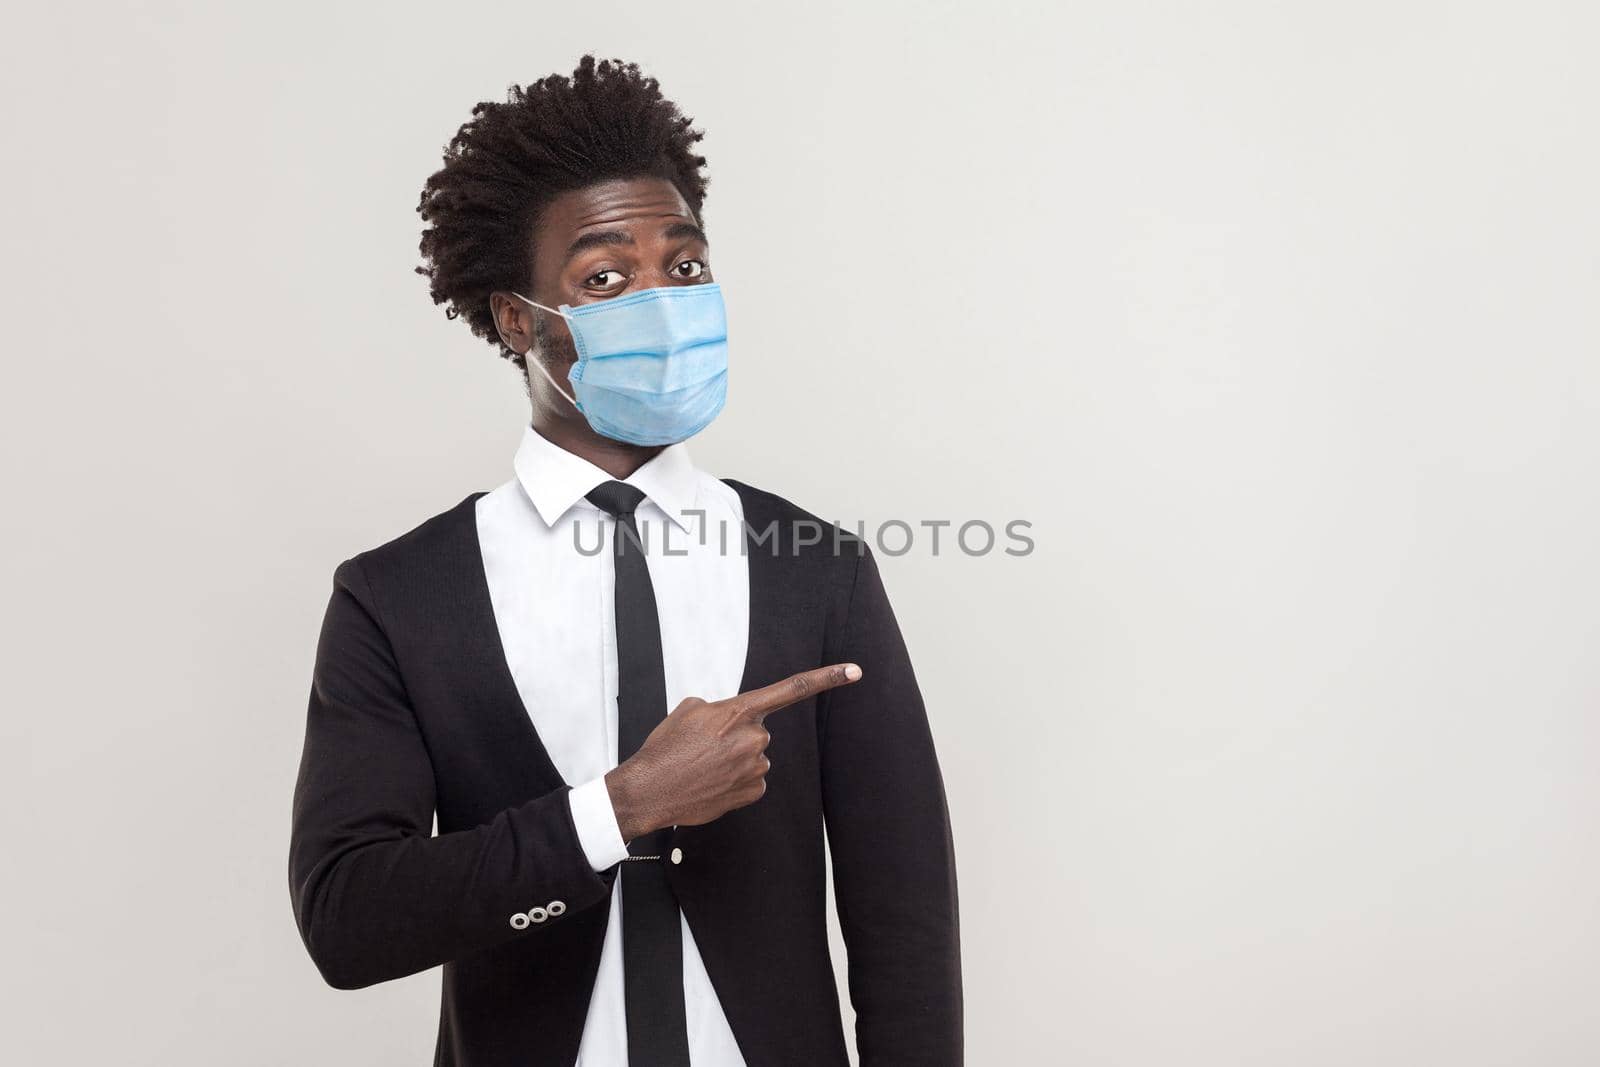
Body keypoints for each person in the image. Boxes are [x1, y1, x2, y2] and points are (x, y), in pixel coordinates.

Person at [288, 55, 961, 1067]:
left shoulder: (815, 567)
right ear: (518, 320)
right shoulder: (398, 596)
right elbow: (347, 920)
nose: (661, 299)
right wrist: (622, 806)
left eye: (683, 266)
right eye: (605, 277)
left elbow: (903, 917)